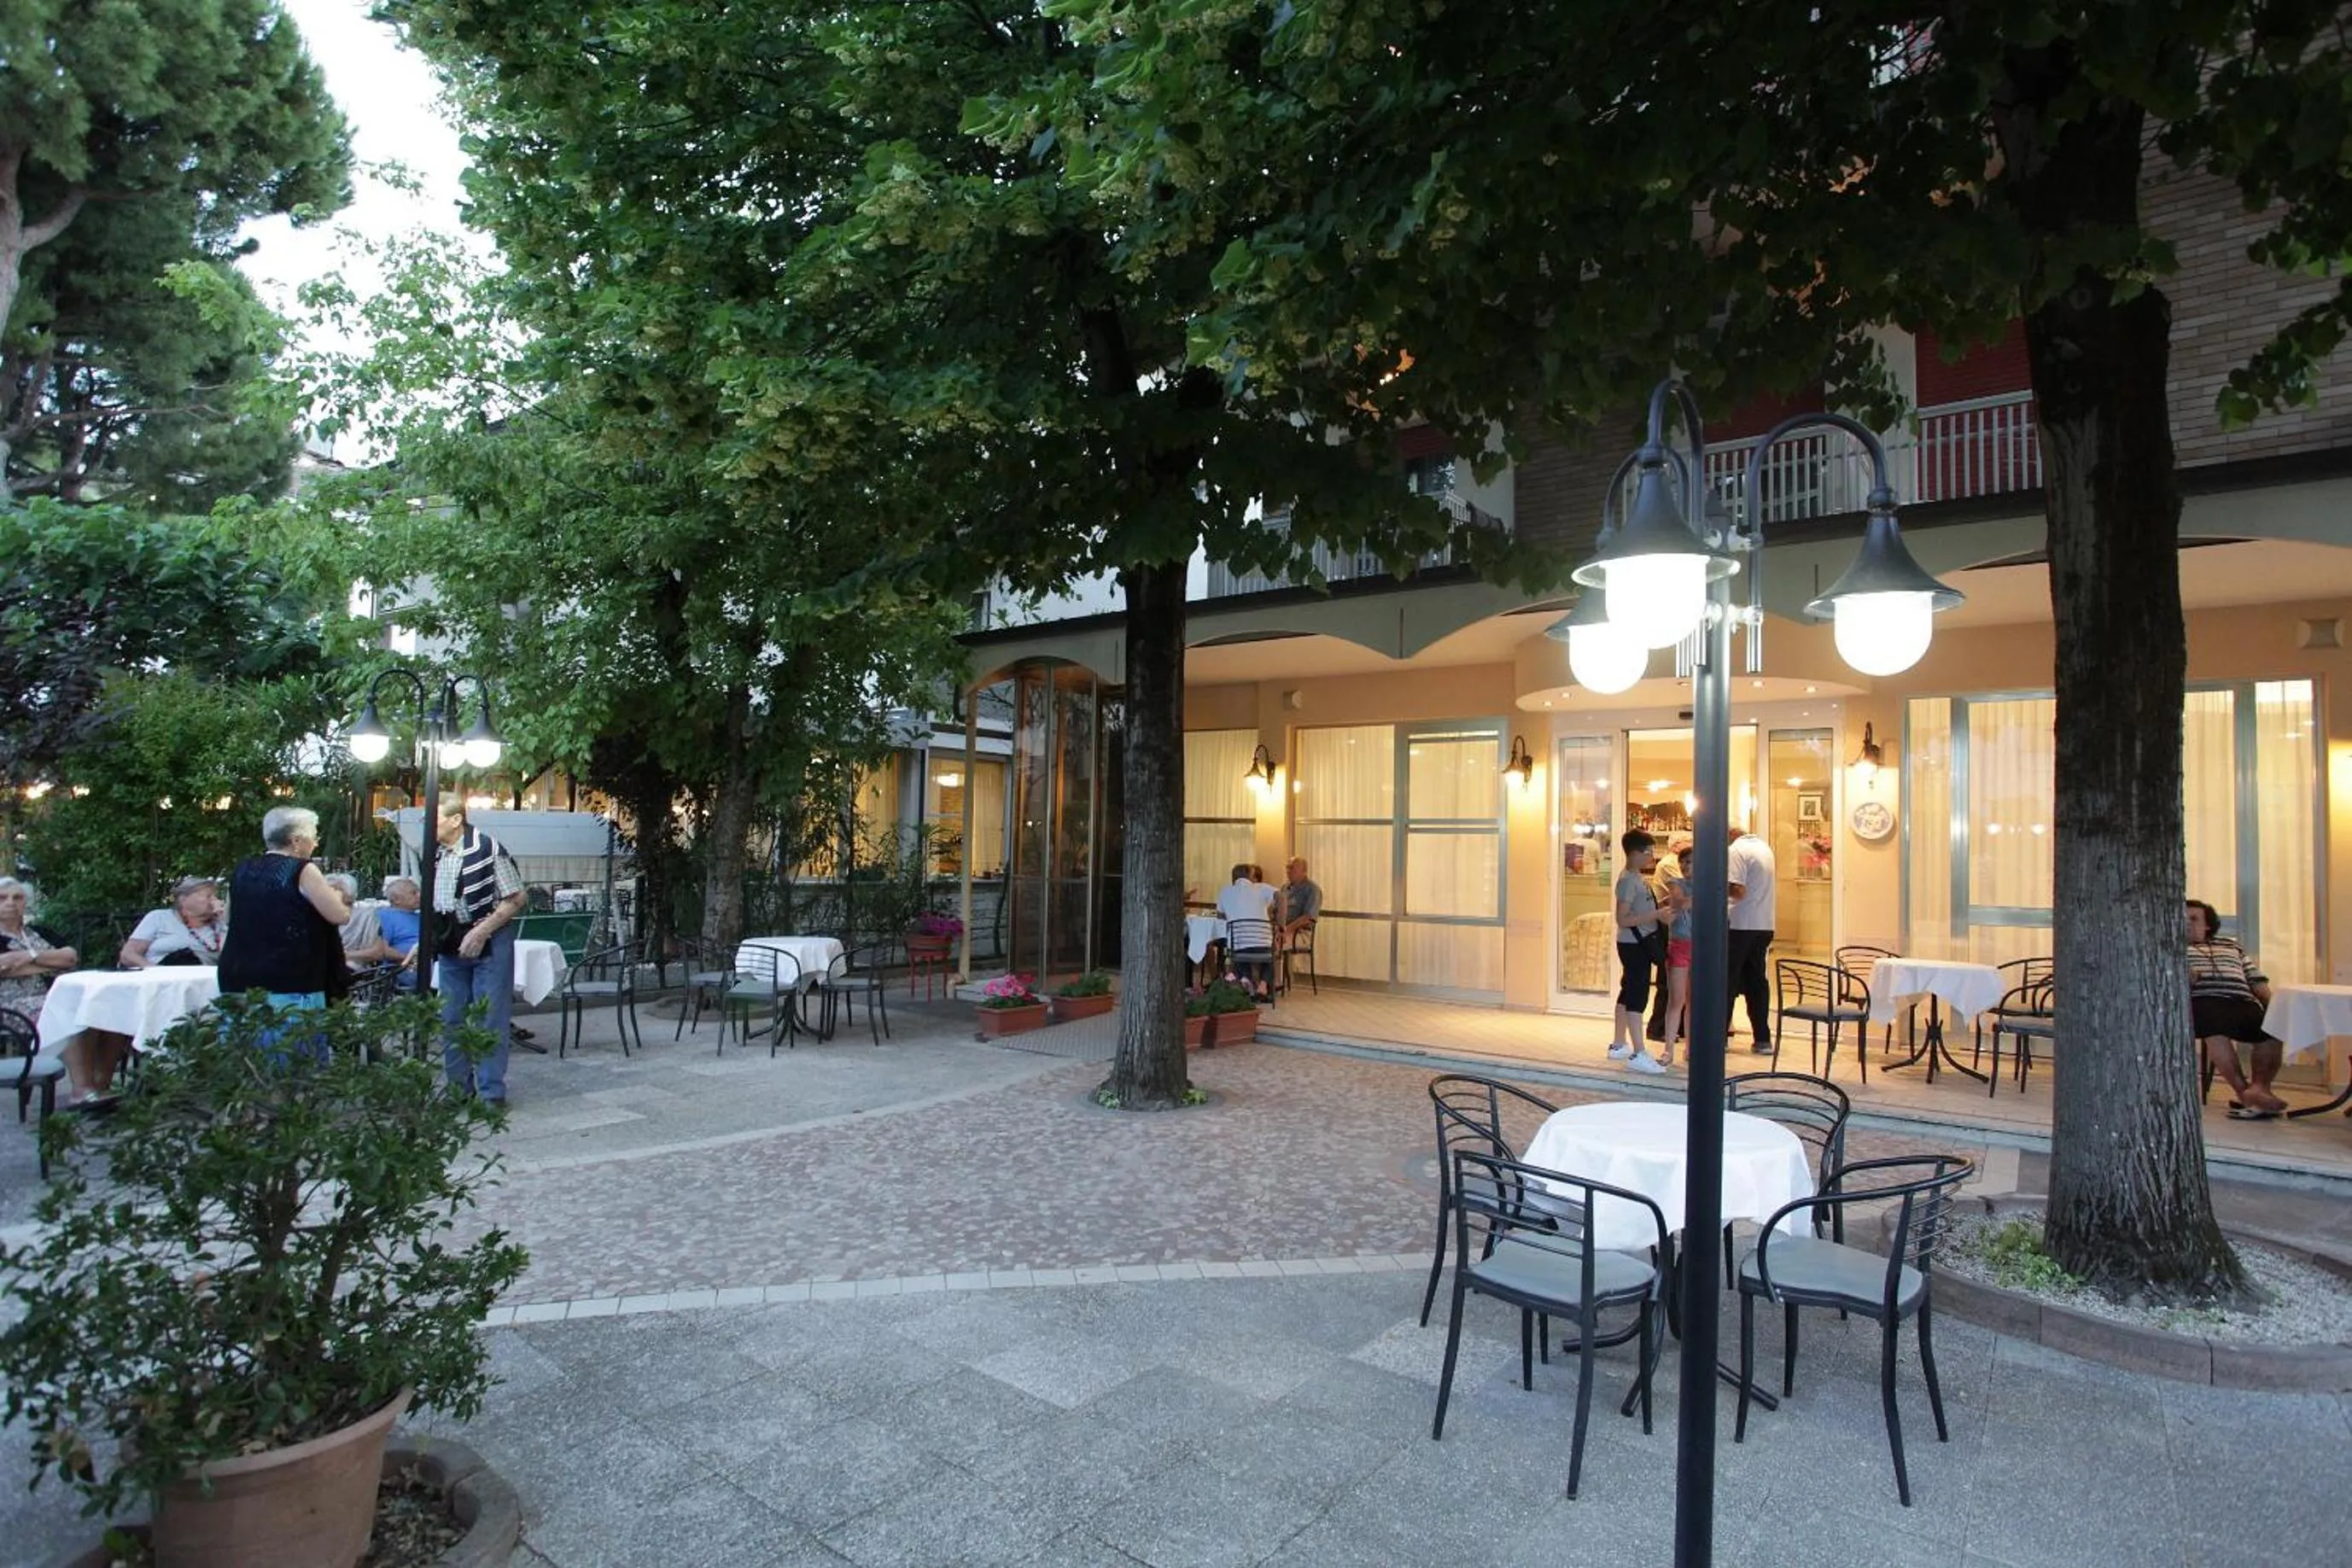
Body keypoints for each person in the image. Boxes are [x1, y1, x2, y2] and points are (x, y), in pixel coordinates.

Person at [217, 806, 356, 1026]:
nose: (316, 843)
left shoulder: (242, 869)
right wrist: (337, 895)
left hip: (237, 973)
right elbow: (339, 915)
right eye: (314, 837)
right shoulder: (302, 869)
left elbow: (227, 918)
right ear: (296, 841)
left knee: (245, 1048)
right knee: (290, 1051)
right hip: (288, 977)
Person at [433, 801, 528, 1104]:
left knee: (489, 1017)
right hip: (450, 942)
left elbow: (516, 897)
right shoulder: (436, 853)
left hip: (489, 940)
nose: (427, 826)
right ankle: (459, 1089)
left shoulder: (487, 849)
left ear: (456, 819)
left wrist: (482, 929)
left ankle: (491, 1093)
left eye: (433, 819)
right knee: (451, 1016)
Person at [2187, 898, 2287, 1117]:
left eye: (2193, 918)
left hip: (2242, 1001)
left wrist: (2272, 1006)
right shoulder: (2176, 949)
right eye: (2182, 918)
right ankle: (2244, 1094)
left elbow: (2256, 979)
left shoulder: (2231, 946)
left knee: (2273, 1029)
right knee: (2215, 1029)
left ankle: (2260, 1089)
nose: (2186, 922)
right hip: (2205, 1001)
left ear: (2208, 925)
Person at [1608, 830, 1669, 1075]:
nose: (1651, 857)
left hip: (1637, 942)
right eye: (1648, 852)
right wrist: (1656, 915)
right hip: (1634, 945)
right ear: (1634, 853)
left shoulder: (1637, 878)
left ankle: (1619, 1043)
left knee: (1628, 990)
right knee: (1637, 994)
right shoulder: (1627, 881)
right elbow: (1622, 918)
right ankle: (1638, 1052)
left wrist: (1660, 907)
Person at [1726, 820, 1777, 1053]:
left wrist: (1714, 886)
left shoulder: (1735, 850)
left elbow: (1738, 890)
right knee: (1757, 981)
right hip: (1764, 924)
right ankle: (1762, 1038)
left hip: (1740, 924)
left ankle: (1719, 1037)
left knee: (1726, 981)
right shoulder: (1765, 848)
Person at [0, 877, 79, 1015]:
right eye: (2, 898)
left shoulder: (41, 932)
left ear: (26, 903)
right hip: (10, 1007)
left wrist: (28, 956)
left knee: (95, 1007)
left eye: (17, 898)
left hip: (52, 996)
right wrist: (54, 962)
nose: (10, 903)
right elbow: (4, 967)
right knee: (70, 1013)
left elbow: (71, 958)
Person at [118, 876, 228, 967]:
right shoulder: (158, 917)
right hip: (157, 981)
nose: (215, 900)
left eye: (215, 896)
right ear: (184, 899)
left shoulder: (219, 926)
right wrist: (157, 971)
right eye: (208, 896)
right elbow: (128, 955)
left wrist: (222, 921)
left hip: (200, 985)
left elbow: (229, 960)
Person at [1655, 832, 1695, 1068]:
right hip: (1679, 944)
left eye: (1690, 862)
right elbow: (1679, 901)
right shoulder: (1675, 883)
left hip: (1701, 946)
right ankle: (1668, 1049)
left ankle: (1690, 1048)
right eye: (1683, 862)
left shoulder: (1706, 885)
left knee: (1694, 1000)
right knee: (1676, 999)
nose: (1686, 866)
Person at [377, 876, 423, 988]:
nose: (420, 895)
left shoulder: (422, 916)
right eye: (414, 893)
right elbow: (382, 949)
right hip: (404, 968)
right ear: (397, 899)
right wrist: (409, 958)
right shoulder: (385, 916)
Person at [1278, 857, 1322, 944]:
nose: (1288, 871)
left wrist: (1287, 929)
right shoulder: (1285, 888)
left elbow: (1308, 917)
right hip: (1283, 929)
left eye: (1292, 868)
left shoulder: (1313, 889)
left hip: (1301, 932)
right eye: (1287, 867)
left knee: (1276, 941)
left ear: (1304, 871)